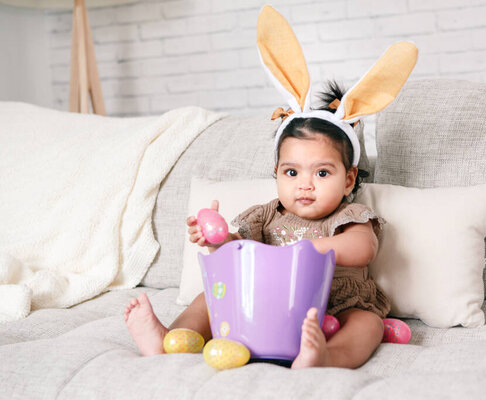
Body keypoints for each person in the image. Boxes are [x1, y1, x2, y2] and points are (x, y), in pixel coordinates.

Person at [124, 81, 392, 369]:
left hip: (336, 305)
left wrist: (308, 248)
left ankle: (328, 356)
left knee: (369, 324)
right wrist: (217, 239)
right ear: (276, 173)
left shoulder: (348, 214)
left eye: (322, 173)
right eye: (292, 172)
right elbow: (237, 249)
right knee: (209, 297)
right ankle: (175, 339)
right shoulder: (267, 216)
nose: (305, 184)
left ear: (348, 180)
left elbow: (364, 248)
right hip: (270, 303)